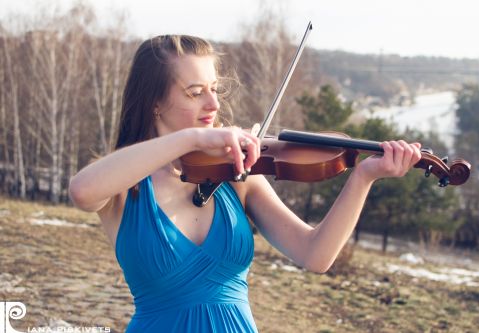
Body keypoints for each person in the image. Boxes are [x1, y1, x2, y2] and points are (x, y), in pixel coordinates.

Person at [68, 35, 421, 332]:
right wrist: (191, 139)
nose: (214, 103)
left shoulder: (235, 176)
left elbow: (316, 255)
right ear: (155, 102)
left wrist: (363, 177)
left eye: (214, 89)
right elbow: (82, 191)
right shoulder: (125, 187)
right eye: (195, 92)